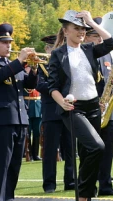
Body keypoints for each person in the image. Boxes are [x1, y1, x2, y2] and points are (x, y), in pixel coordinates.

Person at [47, 10, 113, 200]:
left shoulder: (89, 49)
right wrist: (63, 102)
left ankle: (85, 196)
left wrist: (91, 22)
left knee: (88, 155)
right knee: (97, 147)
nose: (81, 32)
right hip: (73, 108)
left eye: (83, 29)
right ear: (66, 31)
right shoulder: (58, 55)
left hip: (93, 107)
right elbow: (52, 86)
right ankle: (84, 195)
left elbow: (111, 42)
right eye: (76, 28)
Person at [83, 17, 113, 196]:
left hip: (108, 108)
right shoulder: (84, 54)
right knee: (90, 152)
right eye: (95, 35)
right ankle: (89, 187)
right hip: (91, 108)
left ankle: (106, 186)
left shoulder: (108, 54)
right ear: (86, 37)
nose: (100, 38)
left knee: (108, 150)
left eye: (100, 35)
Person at [0, 23, 37, 200]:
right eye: (4, 42)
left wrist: (34, 68)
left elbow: (28, 85)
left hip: (21, 120)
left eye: (10, 42)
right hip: (3, 121)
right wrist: (19, 61)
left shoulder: (12, 65)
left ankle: (9, 197)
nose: (9, 45)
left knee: (14, 166)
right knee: (2, 166)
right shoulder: (9, 65)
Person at [37, 34, 75, 193]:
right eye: (54, 46)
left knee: (71, 149)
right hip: (52, 111)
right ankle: (49, 184)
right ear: (47, 49)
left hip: (67, 110)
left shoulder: (67, 62)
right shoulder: (42, 65)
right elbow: (40, 85)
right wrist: (57, 90)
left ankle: (71, 181)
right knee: (50, 150)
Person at [25, 86, 42, 161]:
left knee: (37, 132)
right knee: (28, 133)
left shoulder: (39, 78)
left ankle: (35, 154)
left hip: (38, 107)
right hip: (28, 106)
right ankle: (29, 154)